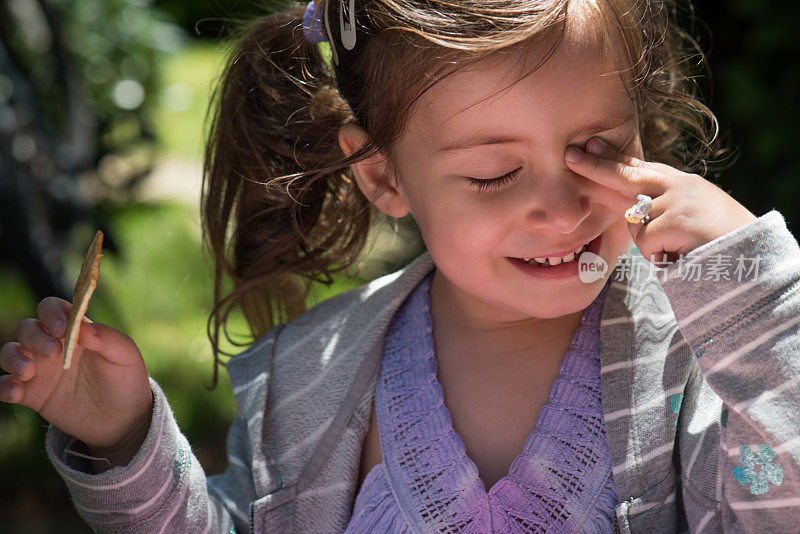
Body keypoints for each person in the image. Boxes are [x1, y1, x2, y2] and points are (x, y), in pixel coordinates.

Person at [1, 0, 798, 531]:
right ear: (382, 174)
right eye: (494, 173)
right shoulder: (308, 380)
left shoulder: (704, 361)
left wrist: (759, 302)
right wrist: (125, 438)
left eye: (599, 152)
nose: (561, 210)